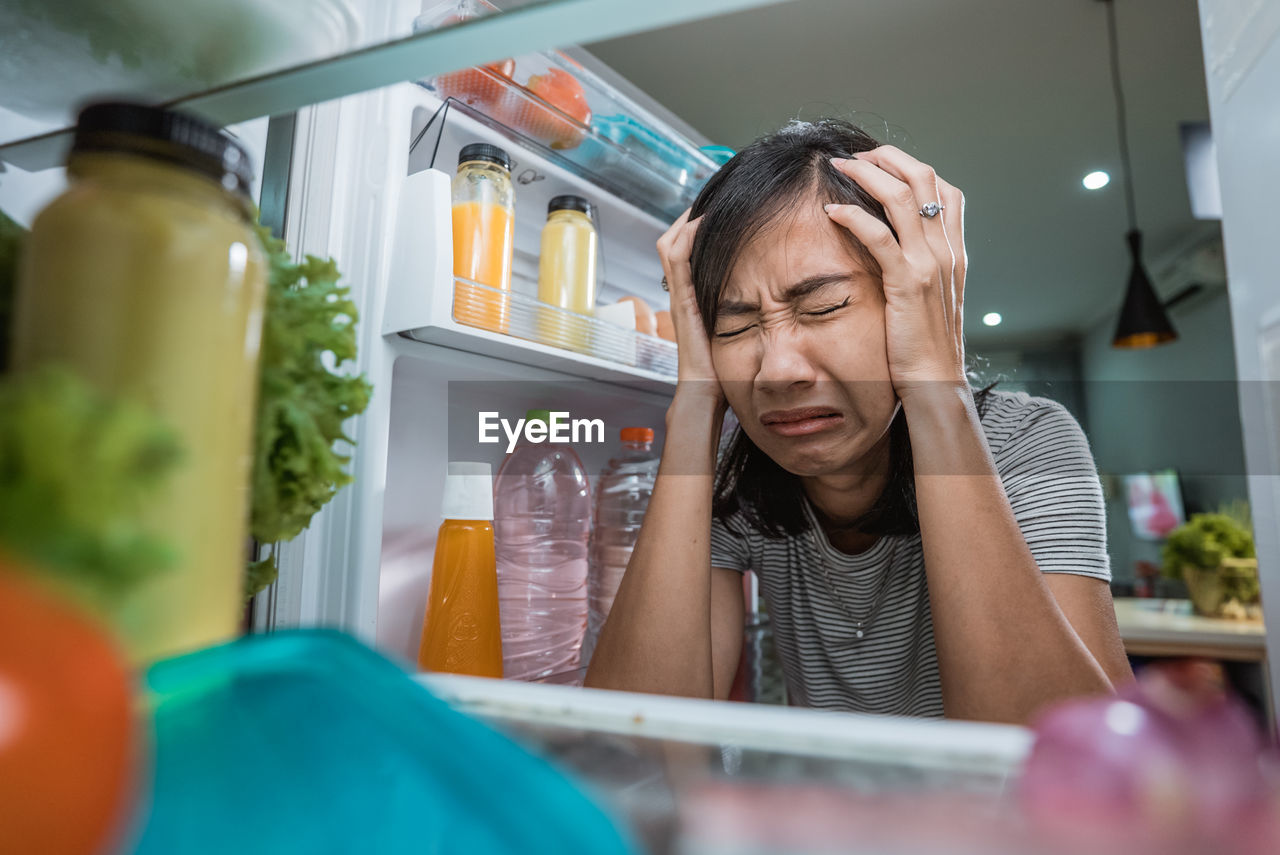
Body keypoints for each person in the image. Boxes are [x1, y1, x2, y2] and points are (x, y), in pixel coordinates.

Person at [584, 119, 1132, 724]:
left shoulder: (1026, 441)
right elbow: (636, 742)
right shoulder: (738, 474)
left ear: (911, 298)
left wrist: (935, 382)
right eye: (734, 326)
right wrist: (694, 405)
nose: (778, 371)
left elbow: (1075, 764)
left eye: (823, 306)